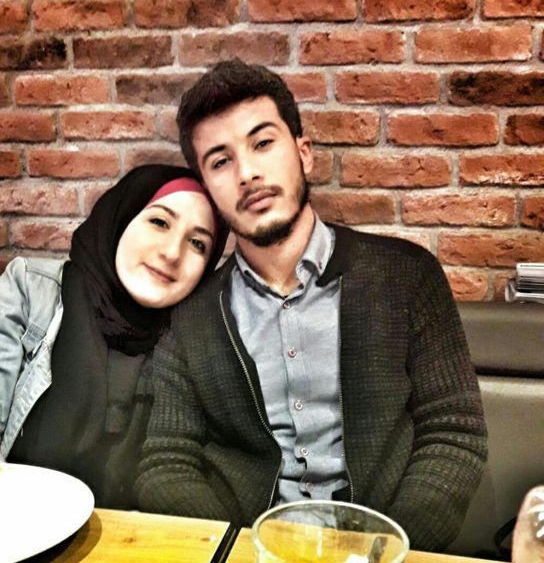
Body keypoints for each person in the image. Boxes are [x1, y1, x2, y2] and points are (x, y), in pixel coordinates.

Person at [135, 60, 488, 551]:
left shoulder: (406, 275)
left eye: (263, 143)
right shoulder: (193, 315)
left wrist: (384, 552)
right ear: (209, 190)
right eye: (220, 161)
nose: (247, 173)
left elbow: (453, 435)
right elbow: (165, 465)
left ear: (304, 154)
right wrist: (238, 551)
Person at [0, 164, 226, 510]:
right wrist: (33, 519)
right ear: (122, 218)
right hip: (13, 524)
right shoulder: (31, 292)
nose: (172, 253)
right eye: (159, 222)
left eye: (198, 243)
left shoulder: (197, 339)